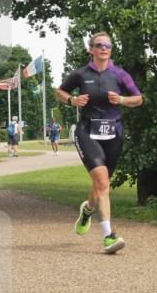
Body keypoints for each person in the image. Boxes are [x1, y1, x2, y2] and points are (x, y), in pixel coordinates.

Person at [57, 32, 143, 254]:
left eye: (108, 45)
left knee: (102, 184)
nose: (104, 48)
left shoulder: (120, 75)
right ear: (91, 49)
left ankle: (88, 210)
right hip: (87, 131)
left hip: (113, 132)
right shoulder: (80, 74)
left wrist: (122, 100)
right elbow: (60, 91)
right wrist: (72, 100)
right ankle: (108, 236)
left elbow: (138, 98)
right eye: (99, 45)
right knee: (103, 182)